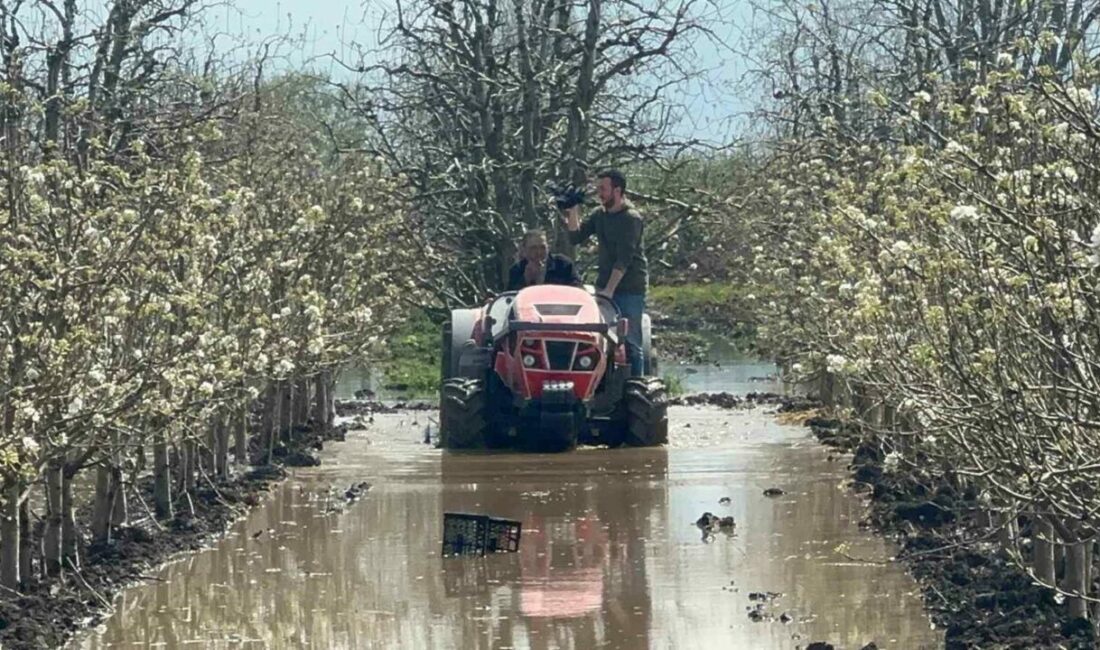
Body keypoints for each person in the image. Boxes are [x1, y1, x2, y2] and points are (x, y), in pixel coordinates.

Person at [563, 169, 648, 376]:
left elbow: (624, 259)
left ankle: (637, 385)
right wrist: (571, 208)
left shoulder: (631, 218)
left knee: (630, 342)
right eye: (598, 188)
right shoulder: (599, 215)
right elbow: (576, 237)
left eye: (603, 189)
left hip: (629, 288)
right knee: (600, 339)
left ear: (617, 190)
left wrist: (609, 291)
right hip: (604, 285)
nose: (599, 193)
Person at [507, 228, 581, 291]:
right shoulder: (517, 270)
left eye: (542, 247)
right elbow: (510, 299)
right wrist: (526, 279)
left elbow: (578, 290)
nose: (539, 252)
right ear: (524, 249)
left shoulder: (563, 264)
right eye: (533, 248)